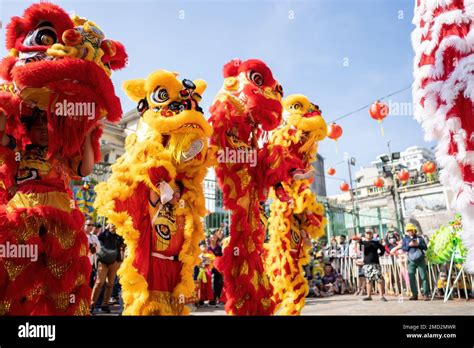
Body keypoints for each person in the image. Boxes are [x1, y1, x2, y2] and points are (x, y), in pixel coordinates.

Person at [0, 110, 94, 315]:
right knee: (18, 272)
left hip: (59, 218)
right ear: (29, 130)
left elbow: (85, 169)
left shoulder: (62, 154)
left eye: (48, 128)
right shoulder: (19, 151)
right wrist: (5, 112)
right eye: (38, 128)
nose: (44, 132)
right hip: (24, 215)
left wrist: (88, 134)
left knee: (61, 278)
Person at [90, 224, 124, 313]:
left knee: (110, 284)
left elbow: (122, 246)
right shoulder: (104, 234)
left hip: (114, 262)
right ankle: (92, 304)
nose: (113, 226)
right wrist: (106, 229)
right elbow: (99, 237)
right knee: (99, 282)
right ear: (109, 225)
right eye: (111, 224)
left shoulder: (118, 236)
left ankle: (105, 305)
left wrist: (119, 260)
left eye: (114, 224)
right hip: (103, 262)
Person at [353, 230, 387, 301]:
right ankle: (369, 296)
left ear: (372, 235)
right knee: (368, 280)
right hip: (367, 263)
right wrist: (359, 240)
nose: (368, 235)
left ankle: (381, 296)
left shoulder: (376, 242)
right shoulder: (363, 243)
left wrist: (380, 254)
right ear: (365, 235)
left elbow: (383, 249)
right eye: (367, 233)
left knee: (379, 279)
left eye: (370, 233)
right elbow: (361, 250)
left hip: (375, 263)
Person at [402, 223, 430, 301]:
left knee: (424, 277)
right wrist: (409, 245)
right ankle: (414, 295)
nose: (409, 232)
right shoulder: (405, 239)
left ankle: (426, 294)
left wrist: (418, 245)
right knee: (411, 278)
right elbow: (403, 248)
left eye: (411, 230)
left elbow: (425, 247)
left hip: (420, 259)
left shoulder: (419, 238)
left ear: (414, 230)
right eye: (408, 230)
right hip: (410, 260)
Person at [207, 232, 224, 306]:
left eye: (214, 237)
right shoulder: (207, 248)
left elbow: (222, 258)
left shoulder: (219, 248)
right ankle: (211, 299)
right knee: (210, 284)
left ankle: (216, 298)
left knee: (218, 283)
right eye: (211, 237)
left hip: (217, 268)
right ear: (209, 238)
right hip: (209, 268)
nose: (213, 238)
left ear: (217, 238)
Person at [85, 218, 101, 288]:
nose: (91, 227)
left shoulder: (94, 237)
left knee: (90, 283)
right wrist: (92, 245)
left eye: (92, 225)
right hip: (81, 263)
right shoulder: (81, 235)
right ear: (84, 225)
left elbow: (99, 249)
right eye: (88, 225)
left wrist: (94, 246)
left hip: (91, 264)